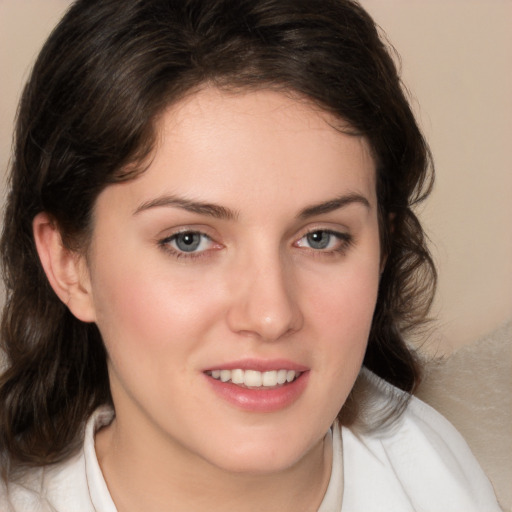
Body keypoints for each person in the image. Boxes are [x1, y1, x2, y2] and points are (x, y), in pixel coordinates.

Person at [0, 0, 502, 510]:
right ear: (70, 264)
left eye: (321, 237)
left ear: (382, 248)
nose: (271, 315)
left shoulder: (434, 476)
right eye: (188, 240)